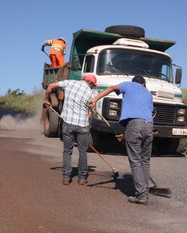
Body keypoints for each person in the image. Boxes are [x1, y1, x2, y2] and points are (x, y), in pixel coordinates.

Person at [88, 75, 153, 205]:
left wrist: (95, 99)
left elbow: (112, 88)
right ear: (144, 85)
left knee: (135, 160)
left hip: (134, 125)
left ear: (133, 82)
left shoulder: (128, 85)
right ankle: (145, 188)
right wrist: (125, 134)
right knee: (144, 160)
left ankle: (142, 195)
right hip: (149, 126)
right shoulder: (148, 93)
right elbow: (143, 116)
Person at [44, 75, 98, 185]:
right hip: (83, 126)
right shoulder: (92, 93)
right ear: (90, 83)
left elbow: (50, 86)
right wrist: (88, 114)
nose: (92, 87)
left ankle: (66, 178)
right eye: (93, 85)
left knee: (67, 151)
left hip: (68, 124)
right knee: (83, 151)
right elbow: (90, 113)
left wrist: (46, 99)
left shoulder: (70, 83)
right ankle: (82, 178)